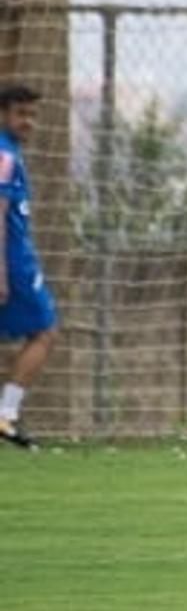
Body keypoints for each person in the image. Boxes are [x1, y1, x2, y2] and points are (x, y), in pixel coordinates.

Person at [0, 84, 56, 451]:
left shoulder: (10, 151)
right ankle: (5, 414)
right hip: (13, 261)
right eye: (21, 114)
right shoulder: (4, 156)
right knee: (45, 331)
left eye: (33, 114)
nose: (29, 122)